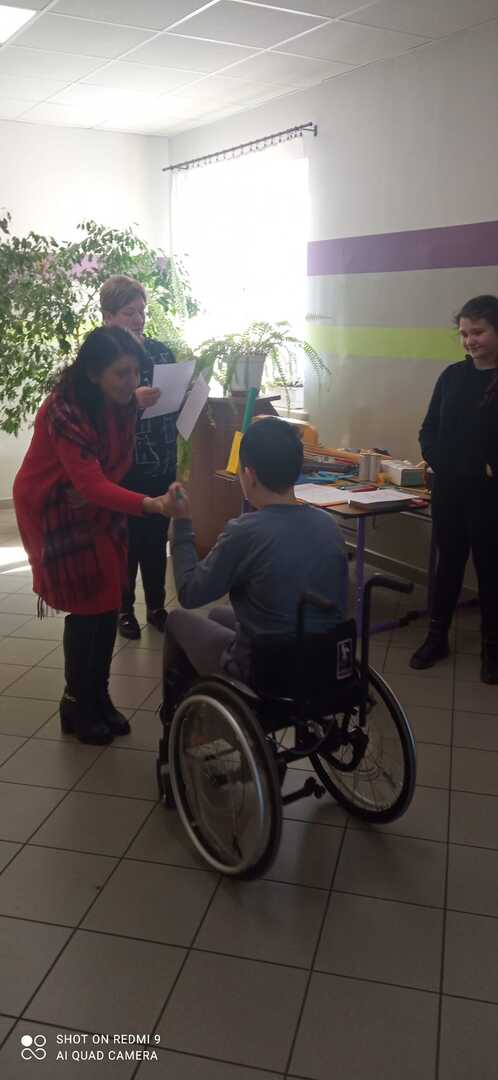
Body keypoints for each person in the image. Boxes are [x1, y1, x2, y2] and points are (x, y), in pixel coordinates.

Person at [13, 327, 171, 745]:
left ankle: (97, 696)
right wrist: (150, 504)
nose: (131, 382)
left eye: (135, 372)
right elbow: (89, 484)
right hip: (53, 507)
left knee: (108, 601)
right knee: (88, 605)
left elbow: (106, 472)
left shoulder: (118, 402)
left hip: (92, 503)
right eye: (121, 373)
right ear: (93, 373)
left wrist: (100, 489)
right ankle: (76, 702)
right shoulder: (63, 409)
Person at [159, 416, 349, 757]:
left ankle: (180, 727)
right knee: (219, 615)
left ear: (249, 475)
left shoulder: (245, 532)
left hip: (267, 672)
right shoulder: (328, 524)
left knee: (176, 620)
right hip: (324, 661)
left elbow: (189, 592)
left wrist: (182, 524)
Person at [411, 294, 498, 683]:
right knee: (446, 567)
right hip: (449, 492)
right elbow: (428, 430)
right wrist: (442, 462)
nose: (469, 340)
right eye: (464, 333)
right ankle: (436, 637)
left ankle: (492, 649)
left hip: (490, 498)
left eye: (478, 332)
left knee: (491, 571)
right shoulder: (452, 376)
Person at [100, 275, 177, 640]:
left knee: (156, 539)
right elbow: (92, 413)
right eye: (129, 312)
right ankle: (124, 609)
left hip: (161, 459)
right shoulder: (99, 358)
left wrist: (186, 395)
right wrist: (133, 402)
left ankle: (157, 607)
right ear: (108, 317)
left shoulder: (161, 352)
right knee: (126, 542)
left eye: (142, 312)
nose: (138, 319)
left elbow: (173, 406)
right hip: (122, 467)